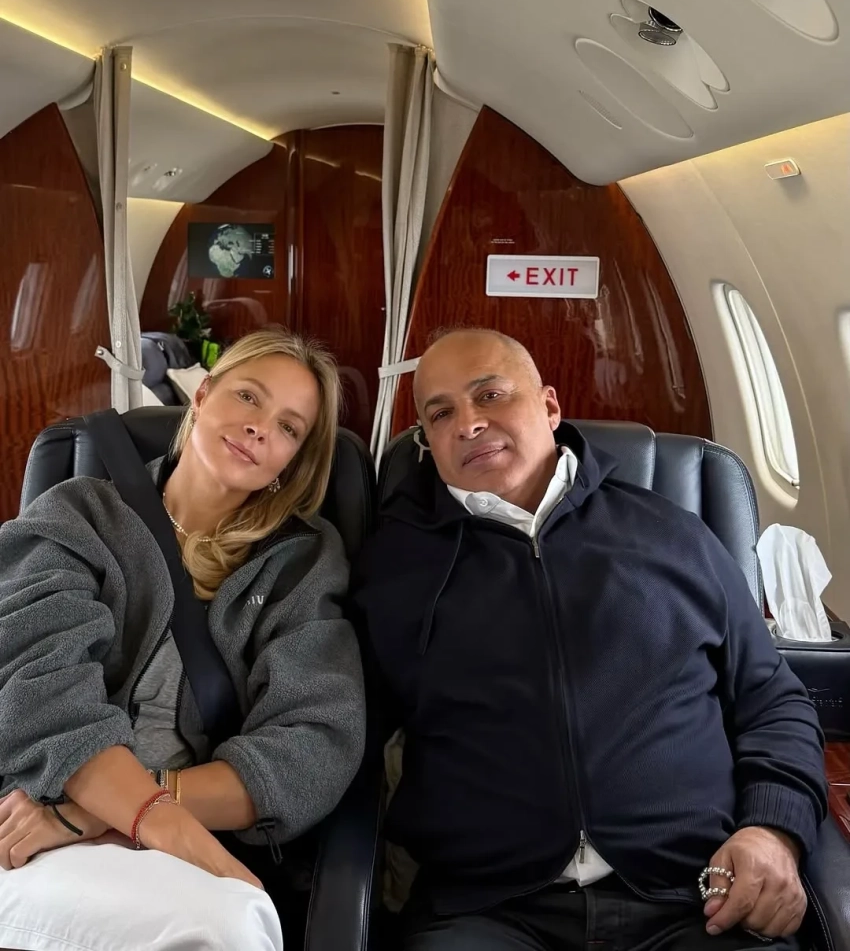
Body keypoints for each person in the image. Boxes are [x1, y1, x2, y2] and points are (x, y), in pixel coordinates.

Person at [354, 328, 828, 951]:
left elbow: (773, 702)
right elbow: (349, 732)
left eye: (490, 395)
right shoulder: (393, 568)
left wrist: (773, 829)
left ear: (550, 406)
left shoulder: (673, 536)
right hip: (487, 908)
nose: (468, 423)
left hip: (694, 894)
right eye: (440, 413)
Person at [0, 326, 366, 951]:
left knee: (227, 925)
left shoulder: (303, 563)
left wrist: (116, 812)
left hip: (148, 848)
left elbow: (314, 746)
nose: (259, 428)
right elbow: (40, 691)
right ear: (202, 396)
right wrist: (154, 819)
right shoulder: (77, 513)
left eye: (288, 427)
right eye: (248, 397)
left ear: (292, 460)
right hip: (29, 826)